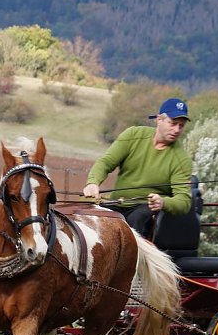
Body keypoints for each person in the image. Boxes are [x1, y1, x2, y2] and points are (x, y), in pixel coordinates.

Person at [82, 98, 193, 238]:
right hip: (118, 204)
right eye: (173, 123)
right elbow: (106, 162)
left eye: (181, 126)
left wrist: (163, 202)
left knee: (137, 218)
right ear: (159, 120)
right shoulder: (133, 135)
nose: (177, 130)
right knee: (92, 217)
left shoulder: (181, 159)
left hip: (145, 209)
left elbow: (183, 201)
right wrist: (93, 182)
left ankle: (131, 258)